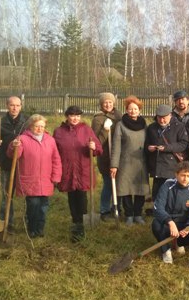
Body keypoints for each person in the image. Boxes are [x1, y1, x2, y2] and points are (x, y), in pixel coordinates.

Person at [53, 106, 103, 242]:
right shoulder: (58, 132)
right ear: (67, 116)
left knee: (81, 195)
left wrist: (94, 147)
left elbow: (98, 149)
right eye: (72, 115)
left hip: (83, 169)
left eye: (78, 116)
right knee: (71, 195)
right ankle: (75, 221)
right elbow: (54, 152)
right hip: (68, 169)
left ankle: (82, 221)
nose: (75, 118)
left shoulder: (86, 130)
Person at [8, 114, 62, 238]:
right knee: (33, 204)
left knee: (43, 206)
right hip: (30, 180)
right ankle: (32, 228)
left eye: (42, 126)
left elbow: (56, 159)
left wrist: (56, 177)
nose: (40, 129)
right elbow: (14, 155)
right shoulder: (22, 139)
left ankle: (40, 229)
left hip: (46, 180)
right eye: (37, 126)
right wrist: (13, 146)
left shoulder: (50, 140)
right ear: (31, 126)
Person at [110, 96, 150, 225]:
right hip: (125, 163)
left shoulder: (144, 124)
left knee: (140, 189)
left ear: (139, 110)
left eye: (135, 109)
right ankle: (129, 215)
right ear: (126, 110)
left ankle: (138, 214)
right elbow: (116, 146)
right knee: (125, 188)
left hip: (141, 162)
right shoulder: (120, 125)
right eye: (130, 109)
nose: (133, 111)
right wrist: (114, 165)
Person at [152, 161, 189, 264]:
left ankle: (179, 242)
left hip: (183, 223)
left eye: (188, 176)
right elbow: (158, 207)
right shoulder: (167, 186)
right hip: (168, 221)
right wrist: (169, 222)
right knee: (156, 225)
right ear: (176, 174)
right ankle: (166, 250)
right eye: (183, 175)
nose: (185, 178)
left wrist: (188, 227)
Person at [145, 104, 189, 206]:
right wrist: (149, 148)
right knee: (157, 190)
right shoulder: (151, 128)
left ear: (170, 115)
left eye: (164, 118)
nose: (161, 120)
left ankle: (171, 211)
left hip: (171, 165)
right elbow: (146, 143)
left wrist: (166, 148)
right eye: (159, 118)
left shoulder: (179, 127)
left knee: (171, 190)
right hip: (157, 165)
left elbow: (183, 144)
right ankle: (157, 210)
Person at [0, 96, 27, 232]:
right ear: (7, 106)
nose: (15, 108)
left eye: (17, 105)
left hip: (24, 164)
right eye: (12, 105)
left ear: (21, 106)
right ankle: (7, 222)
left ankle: (30, 222)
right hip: (5, 164)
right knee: (7, 194)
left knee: (30, 195)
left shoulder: (26, 122)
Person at [91, 92, 122, 221]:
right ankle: (104, 210)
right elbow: (96, 140)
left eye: (110, 102)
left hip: (118, 155)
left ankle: (117, 207)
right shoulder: (97, 119)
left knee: (119, 183)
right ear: (101, 104)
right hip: (105, 156)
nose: (108, 104)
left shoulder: (119, 116)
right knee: (108, 183)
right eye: (105, 102)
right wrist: (105, 129)